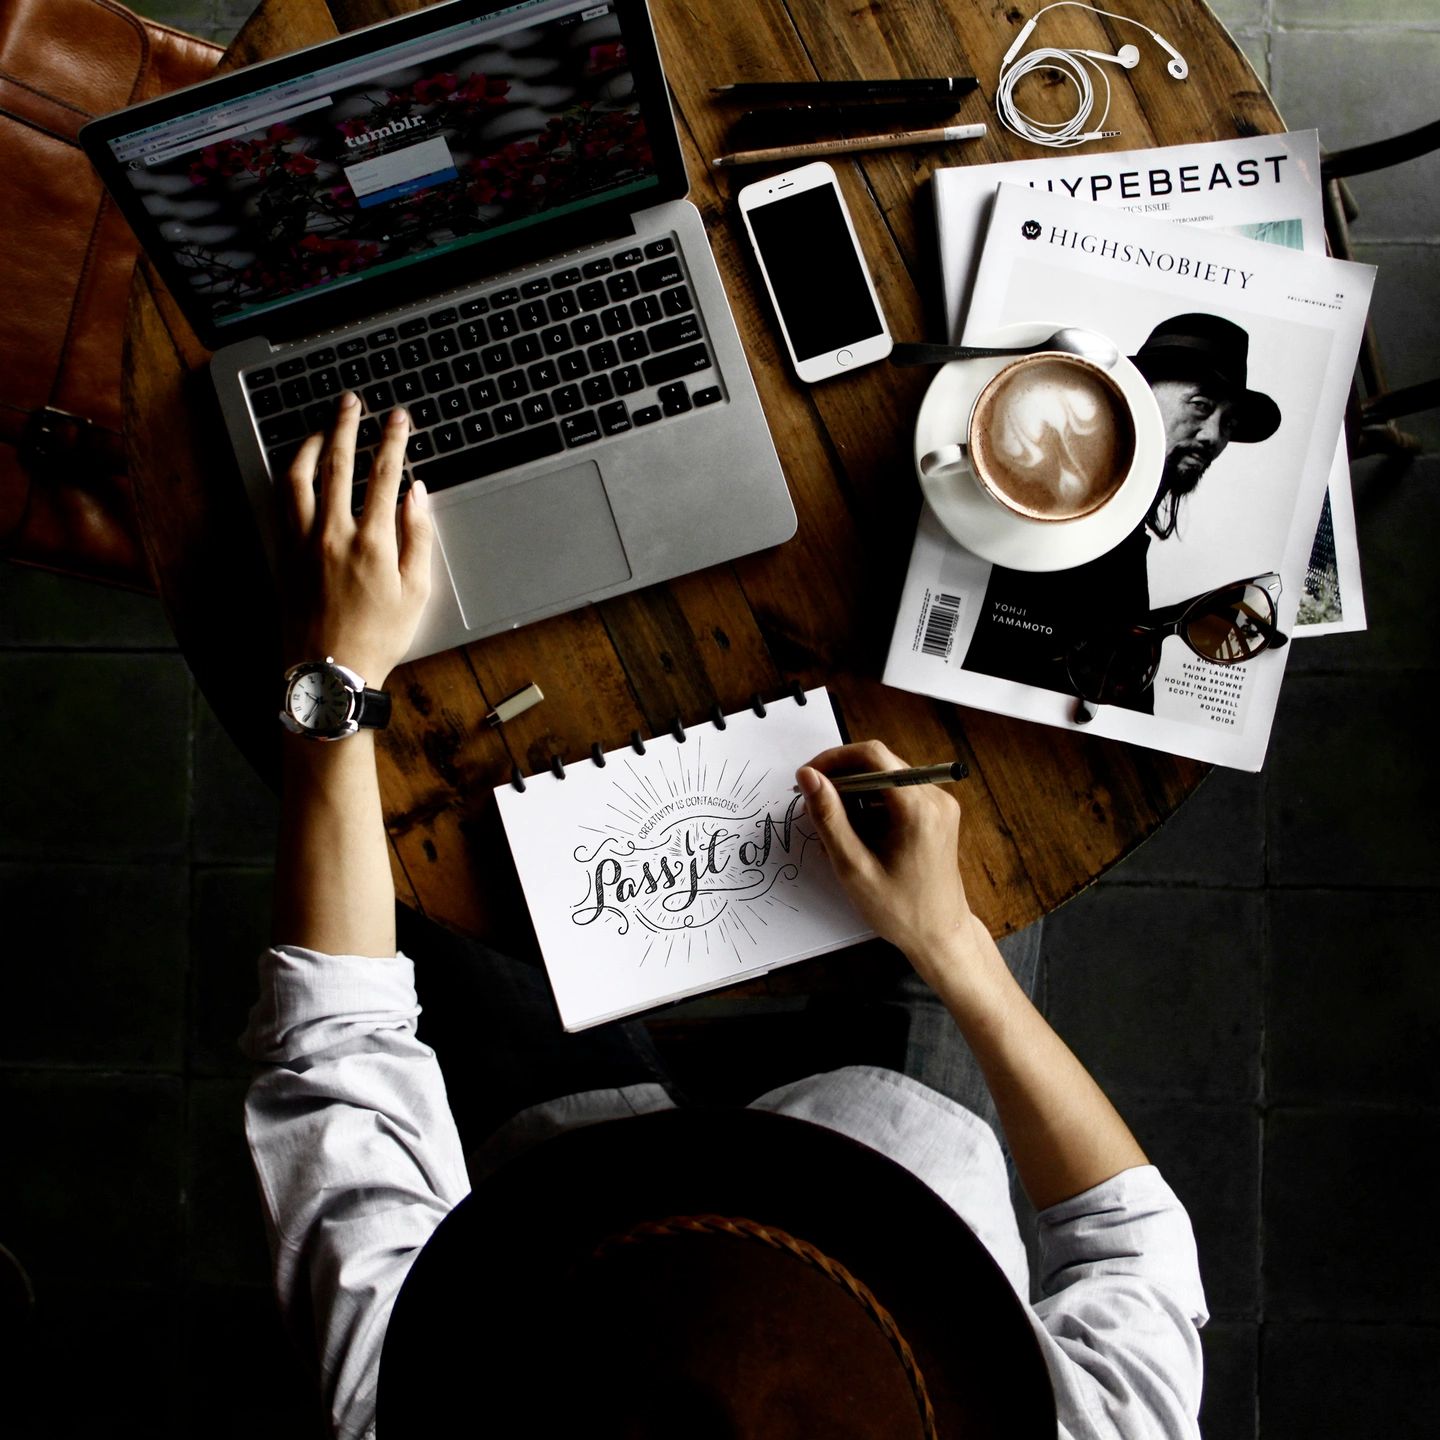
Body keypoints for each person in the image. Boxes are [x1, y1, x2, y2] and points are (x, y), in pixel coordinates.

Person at [244, 393, 1208, 1438]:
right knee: (979, 770)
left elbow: (335, 1045)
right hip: (906, 1144)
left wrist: (336, 679)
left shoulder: (410, 1401)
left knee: (435, 856)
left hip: (560, 1182)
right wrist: (950, 943)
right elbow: (1128, 1240)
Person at [960, 312, 1281, 710]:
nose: (1214, 437)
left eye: (1229, 423)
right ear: (1141, 392)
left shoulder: (1127, 534)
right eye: (1200, 406)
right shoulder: (1063, 510)